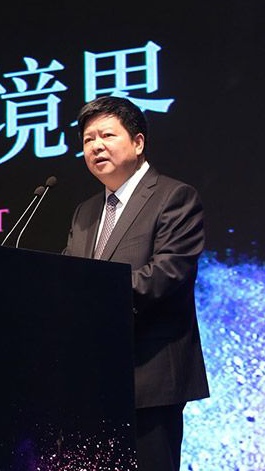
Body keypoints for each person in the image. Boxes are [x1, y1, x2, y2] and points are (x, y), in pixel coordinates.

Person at [63, 96, 209, 471]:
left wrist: (93, 296)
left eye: (107, 135)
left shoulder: (173, 197)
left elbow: (168, 273)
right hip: (92, 380)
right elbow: (66, 279)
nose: (95, 146)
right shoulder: (85, 212)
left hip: (150, 377)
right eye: (88, 140)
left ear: (138, 142)